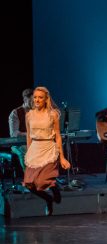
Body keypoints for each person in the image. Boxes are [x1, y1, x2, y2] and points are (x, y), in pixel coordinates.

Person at [23, 86, 71, 215]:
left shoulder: (53, 114)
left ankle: (54, 187)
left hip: (48, 148)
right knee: (30, 185)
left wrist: (62, 157)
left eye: (40, 97)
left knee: (42, 181)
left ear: (46, 99)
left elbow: (58, 135)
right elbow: (28, 135)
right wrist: (28, 152)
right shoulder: (29, 115)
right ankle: (48, 199)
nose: (37, 100)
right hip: (34, 149)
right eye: (35, 97)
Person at [8, 88, 33, 174]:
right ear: (25, 100)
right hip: (18, 144)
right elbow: (14, 134)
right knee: (25, 150)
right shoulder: (15, 113)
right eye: (31, 101)